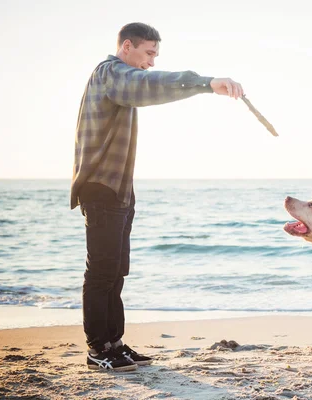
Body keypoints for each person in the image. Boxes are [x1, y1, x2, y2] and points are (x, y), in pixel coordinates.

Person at [70, 22, 244, 371]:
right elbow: (147, 85)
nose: (151, 62)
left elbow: (145, 82)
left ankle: (114, 343)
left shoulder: (119, 76)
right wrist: (205, 83)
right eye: (148, 53)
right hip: (100, 187)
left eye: (155, 55)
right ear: (126, 46)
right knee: (101, 272)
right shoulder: (110, 73)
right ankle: (97, 349)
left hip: (118, 188)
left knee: (116, 271)